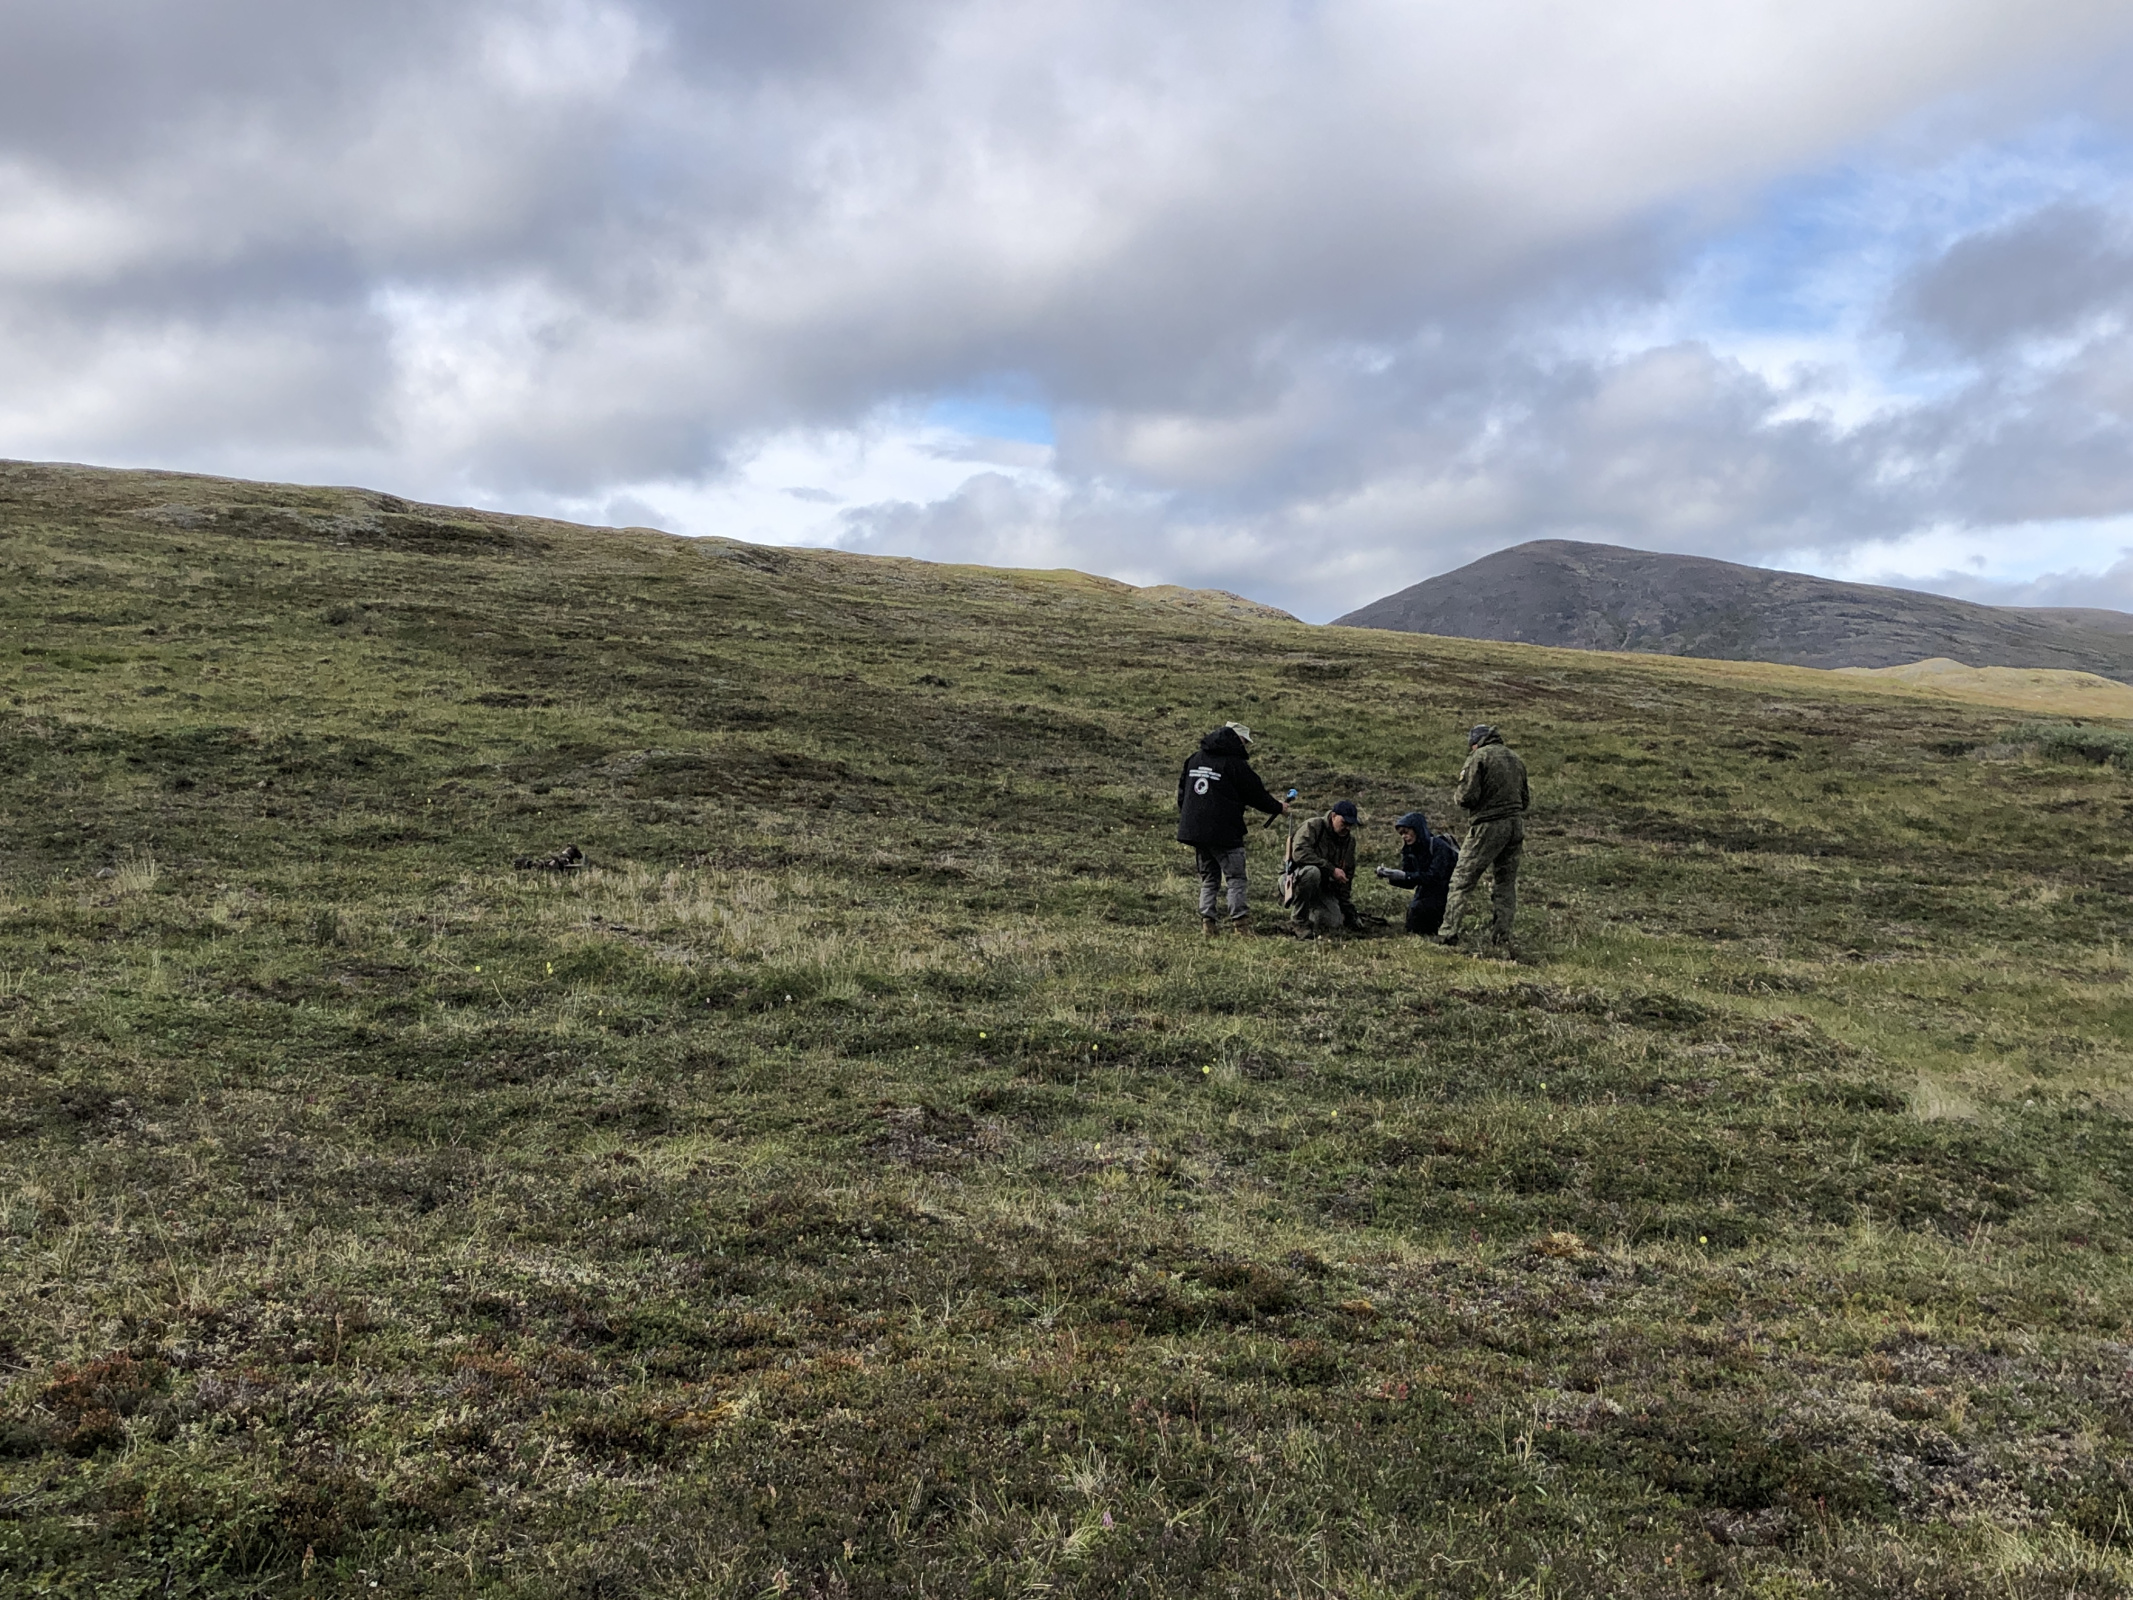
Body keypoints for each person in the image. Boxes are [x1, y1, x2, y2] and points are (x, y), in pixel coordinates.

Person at [1176, 722, 1289, 934]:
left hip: (1196, 832)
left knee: (1209, 878)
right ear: (1237, 739)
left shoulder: (1194, 759)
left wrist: (1191, 819)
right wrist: (1278, 807)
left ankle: (1207, 922)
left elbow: (1182, 794)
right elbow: (1256, 794)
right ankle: (1240, 924)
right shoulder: (1235, 764)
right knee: (1235, 878)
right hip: (1225, 833)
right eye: (1244, 741)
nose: (1245, 746)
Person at [1437, 724, 1529, 950]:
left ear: (1476, 743)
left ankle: (1448, 932)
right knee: (1505, 884)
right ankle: (1501, 936)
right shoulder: (1516, 759)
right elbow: (1525, 800)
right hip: (1515, 825)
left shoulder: (1479, 757)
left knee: (1461, 880)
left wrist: (1458, 797)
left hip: (1488, 825)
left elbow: (1467, 796)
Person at [1286, 800, 1362, 936]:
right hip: (1294, 880)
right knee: (1312, 872)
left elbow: (1347, 874)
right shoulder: (1313, 826)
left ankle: (1311, 914)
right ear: (1333, 816)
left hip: (1323, 888)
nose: (1347, 828)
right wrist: (1331, 869)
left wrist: (1345, 906)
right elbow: (1300, 854)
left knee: (1334, 922)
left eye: (1350, 825)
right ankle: (1298, 922)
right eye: (1344, 823)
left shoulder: (1349, 842)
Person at [1375, 810, 1458, 936]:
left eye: (1406, 832)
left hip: (1445, 891)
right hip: (1424, 891)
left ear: (1417, 830)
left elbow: (1434, 876)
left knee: (1423, 912)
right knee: (1413, 924)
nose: (1404, 836)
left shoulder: (1438, 846)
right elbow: (1410, 882)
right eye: (1401, 834)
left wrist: (1404, 876)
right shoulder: (1409, 850)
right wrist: (1391, 876)